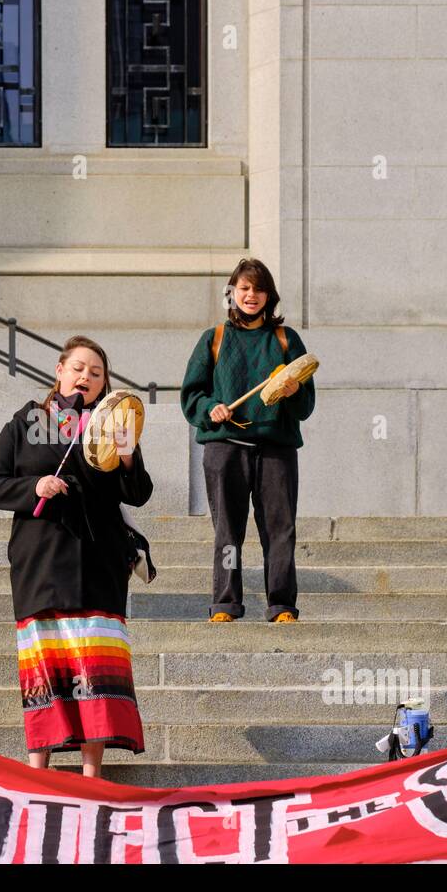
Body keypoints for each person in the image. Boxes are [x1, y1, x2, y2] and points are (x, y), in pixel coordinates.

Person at [0, 336, 153, 779]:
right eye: (78, 369)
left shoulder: (109, 427)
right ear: (59, 370)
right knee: (46, 663)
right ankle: (40, 769)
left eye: (96, 374)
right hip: (40, 559)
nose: (86, 379)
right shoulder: (25, 422)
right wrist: (34, 486)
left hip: (98, 561)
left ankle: (92, 772)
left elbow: (137, 493)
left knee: (93, 665)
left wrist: (128, 454)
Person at [179, 258, 315, 623]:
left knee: (280, 530)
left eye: (258, 289)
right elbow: (192, 394)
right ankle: (225, 604)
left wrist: (291, 390)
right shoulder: (214, 338)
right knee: (227, 531)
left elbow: (306, 405)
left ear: (268, 295)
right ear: (232, 293)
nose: (251, 295)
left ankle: (282, 605)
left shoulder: (286, 340)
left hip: (276, 449)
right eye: (244, 288)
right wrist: (211, 407)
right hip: (225, 449)